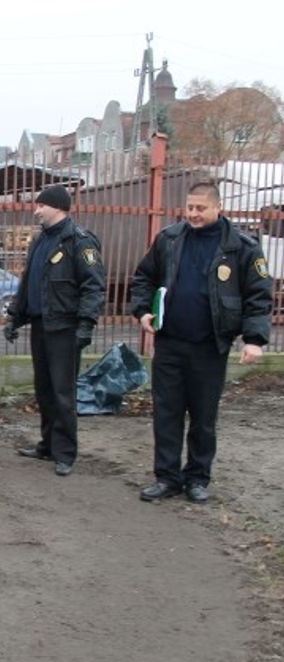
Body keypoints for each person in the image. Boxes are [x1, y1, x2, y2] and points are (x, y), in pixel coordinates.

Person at [129, 181, 272, 503]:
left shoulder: (241, 247)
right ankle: (167, 478)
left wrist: (254, 339)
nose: (192, 214)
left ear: (217, 207)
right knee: (166, 414)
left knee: (203, 417)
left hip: (210, 346)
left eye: (200, 208)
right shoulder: (169, 239)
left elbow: (258, 295)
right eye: (189, 207)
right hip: (169, 344)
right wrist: (142, 312)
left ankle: (197, 478)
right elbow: (143, 278)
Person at [3, 185, 106, 476]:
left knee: (63, 392)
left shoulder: (80, 242)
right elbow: (29, 284)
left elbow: (93, 286)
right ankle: (47, 444)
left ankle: (65, 453)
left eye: (40, 205)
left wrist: (86, 324)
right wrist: (15, 317)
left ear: (57, 207)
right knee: (44, 389)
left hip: (65, 327)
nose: (36, 210)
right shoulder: (40, 241)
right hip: (41, 324)